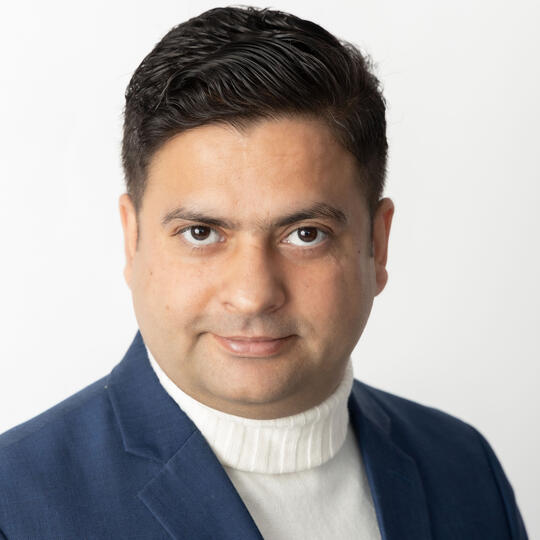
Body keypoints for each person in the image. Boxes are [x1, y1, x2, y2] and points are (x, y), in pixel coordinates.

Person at [0, 5, 528, 539]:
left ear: (378, 244)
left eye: (306, 234)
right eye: (201, 232)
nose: (253, 295)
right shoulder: (13, 505)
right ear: (132, 240)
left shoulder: (464, 467)